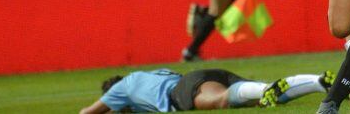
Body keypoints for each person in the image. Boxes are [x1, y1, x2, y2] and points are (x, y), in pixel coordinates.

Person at [79, 68, 335, 113]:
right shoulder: (146, 77)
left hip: (182, 91)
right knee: (262, 100)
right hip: (203, 75)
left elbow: (87, 113)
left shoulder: (120, 90)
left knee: (221, 101)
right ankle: (318, 82)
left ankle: (264, 89)